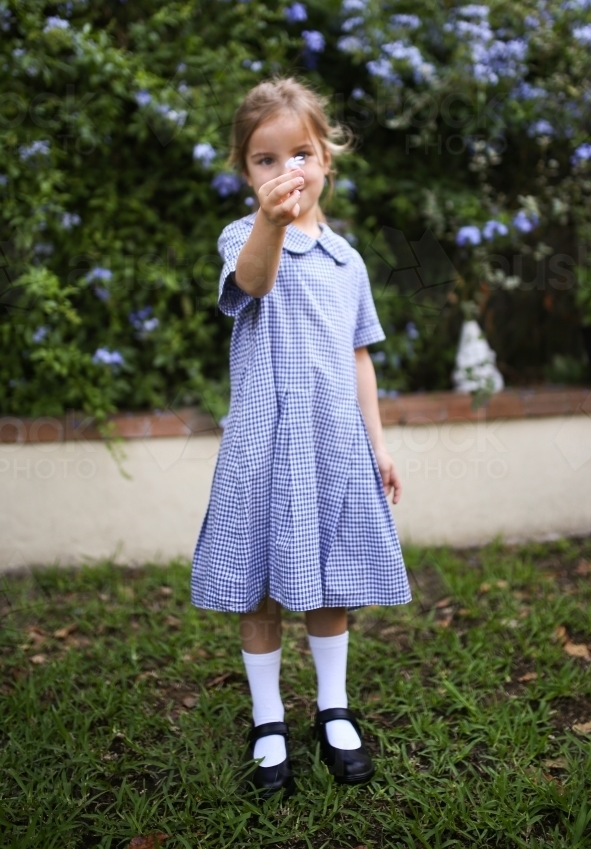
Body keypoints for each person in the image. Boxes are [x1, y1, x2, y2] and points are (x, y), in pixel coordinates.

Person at [190, 76, 412, 797]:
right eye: (265, 159)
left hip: (336, 443)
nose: (286, 170)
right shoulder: (248, 237)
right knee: (261, 586)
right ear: (244, 170)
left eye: (300, 153)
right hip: (263, 441)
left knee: (331, 578)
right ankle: (267, 721)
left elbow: (358, 357)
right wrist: (270, 224)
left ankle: (333, 709)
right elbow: (251, 284)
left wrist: (377, 443)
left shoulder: (348, 262)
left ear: (326, 161)